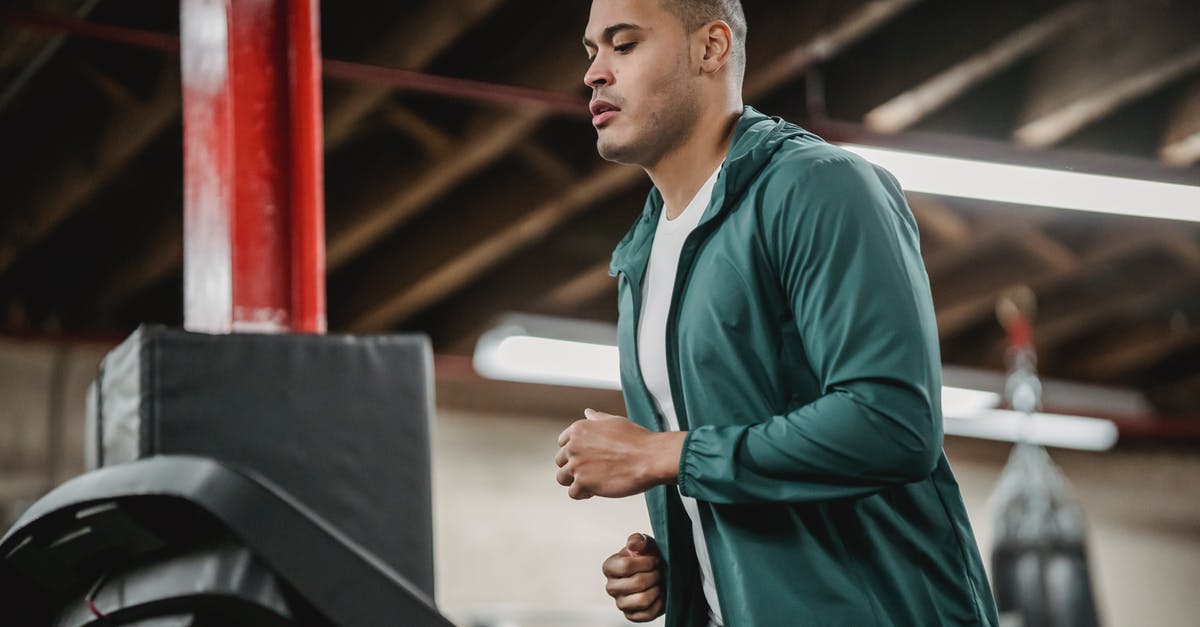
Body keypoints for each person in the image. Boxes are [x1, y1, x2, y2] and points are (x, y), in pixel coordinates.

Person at [554, 1, 1001, 626]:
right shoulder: (642, 259)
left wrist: (669, 456)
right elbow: (739, 472)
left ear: (711, 50)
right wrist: (687, 572)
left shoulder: (821, 187)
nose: (594, 73)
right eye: (591, 51)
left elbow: (893, 422)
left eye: (623, 45)